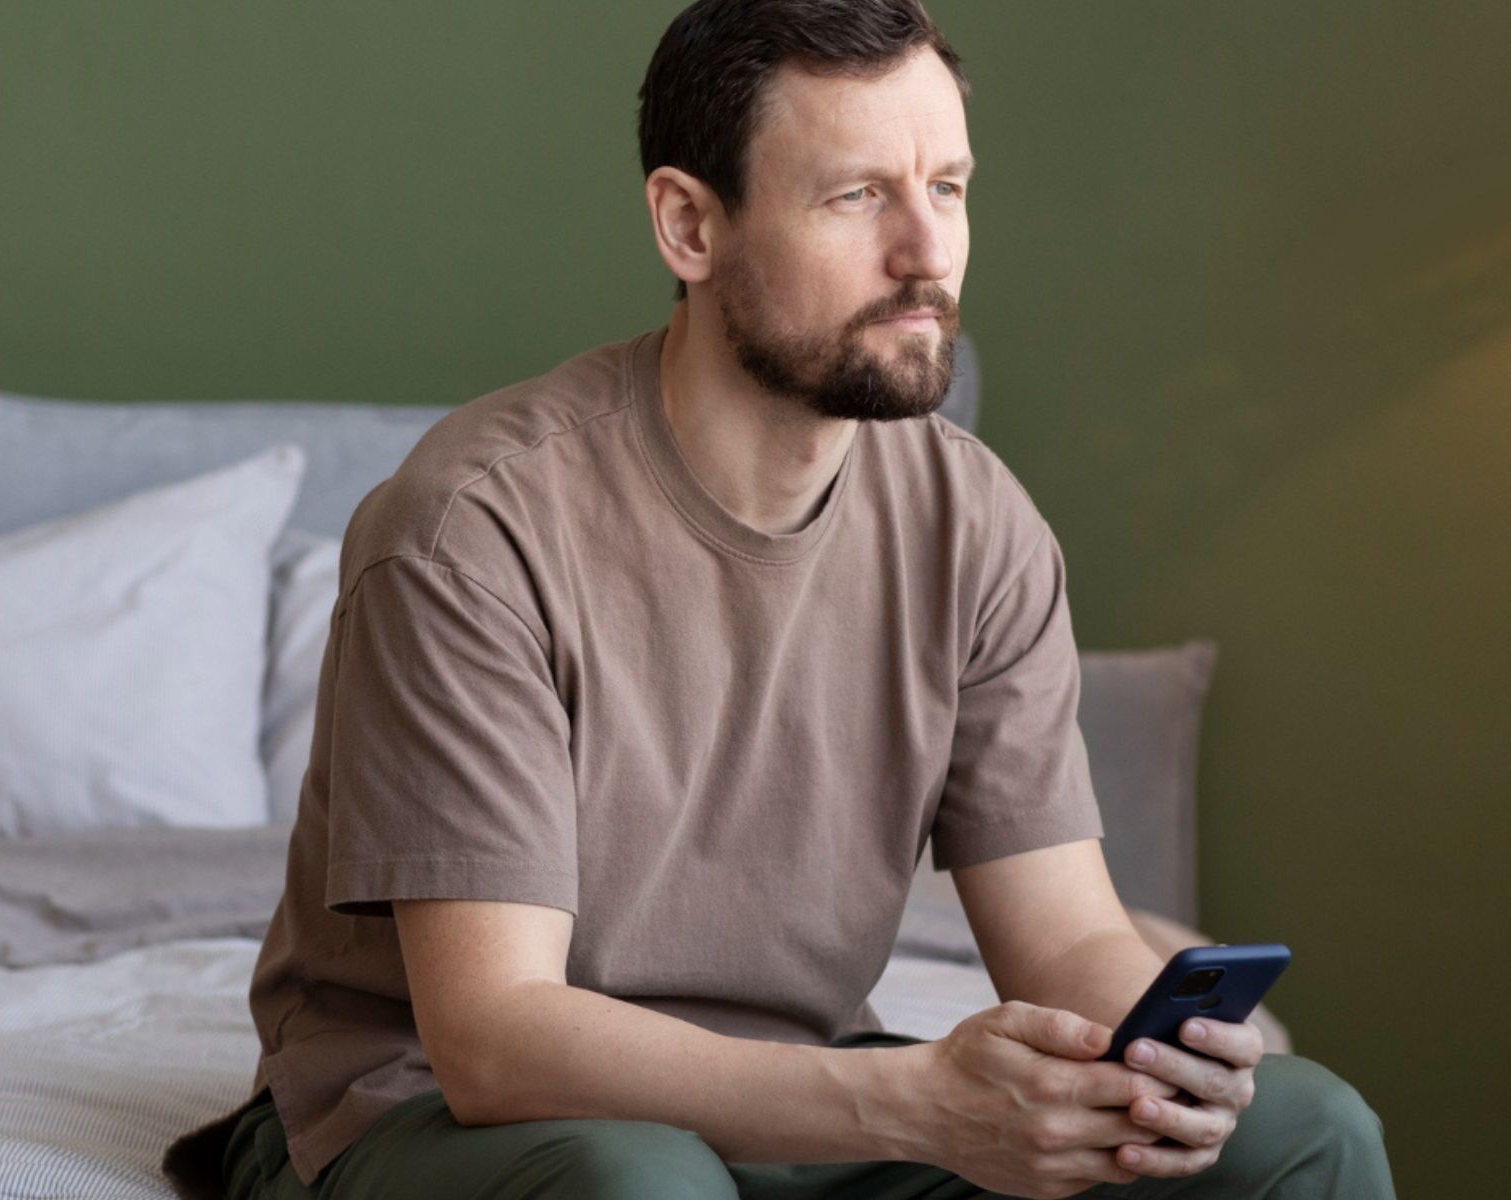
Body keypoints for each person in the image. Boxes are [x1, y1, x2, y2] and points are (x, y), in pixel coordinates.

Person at [162, 2, 1396, 1196]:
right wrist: (912, 1105)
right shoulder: (471, 532)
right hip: (446, 1117)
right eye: (859, 196)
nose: (927, 253)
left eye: (949, 188)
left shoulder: (978, 524)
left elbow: (1064, 936)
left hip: (799, 1103)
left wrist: (1165, 1057)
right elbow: (497, 1040)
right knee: (641, 1180)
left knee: (1303, 1127)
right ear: (690, 226)